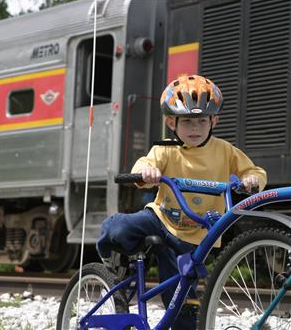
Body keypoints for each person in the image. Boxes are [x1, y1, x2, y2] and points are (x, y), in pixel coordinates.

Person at [96, 75, 267, 329]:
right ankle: (118, 262)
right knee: (117, 228)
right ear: (171, 122)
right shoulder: (166, 150)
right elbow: (145, 164)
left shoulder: (225, 150)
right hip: (161, 219)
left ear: (214, 121)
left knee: (181, 305)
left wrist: (252, 178)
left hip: (195, 236)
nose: (195, 128)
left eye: (201, 121)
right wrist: (147, 173)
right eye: (187, 121)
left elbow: (254, 172)